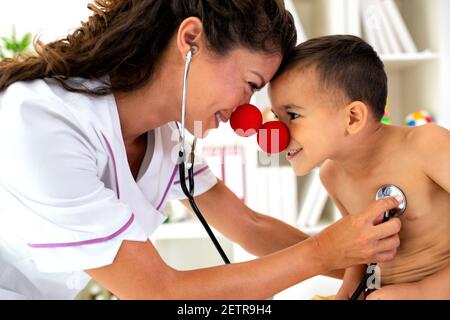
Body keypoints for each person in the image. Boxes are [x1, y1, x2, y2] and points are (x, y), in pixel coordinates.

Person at [0, 1, 402, 300]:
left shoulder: (167, 138)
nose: (246, 111)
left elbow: (250, 226)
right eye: (250, 83)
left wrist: (384, 269)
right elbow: (160, 293)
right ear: (190, 40)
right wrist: (323, 252)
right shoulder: (40, 120)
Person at [269, 35, 450, 300]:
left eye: (293, 115)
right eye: (276, 117)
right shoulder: (331, 175)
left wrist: (424, 292)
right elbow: (360, 253)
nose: (276, 133)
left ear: (352, 117)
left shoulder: (427, 145)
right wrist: (346, 295)